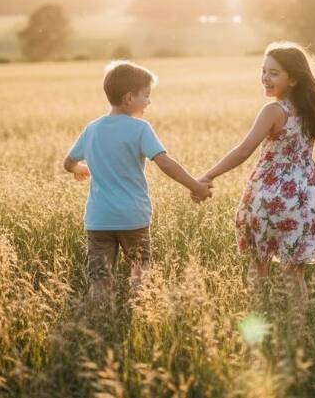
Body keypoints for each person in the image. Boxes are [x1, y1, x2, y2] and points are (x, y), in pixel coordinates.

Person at [198, 42, 315, 304]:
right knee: (294, 271)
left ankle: (260, 312)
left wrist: (208, 175)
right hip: (304, 200)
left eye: (274, 73)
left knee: (259, 262)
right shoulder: (311, 111)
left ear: (294, 79)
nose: (265, 78)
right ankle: (297, 326)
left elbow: (244, 151)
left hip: (268, 198)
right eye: (264, 71)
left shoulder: (274, 111)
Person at [64, 61, 212, 301]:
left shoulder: (91, 129)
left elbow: (67, 163)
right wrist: (196, 186)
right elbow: (164, 162)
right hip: (133, 217)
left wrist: (81, 168)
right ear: (129, 98)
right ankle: (139, 310)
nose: (149, 102)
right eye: (146, 96)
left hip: (98, 220)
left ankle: (100, 319)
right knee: (140, 271)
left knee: (100, 278)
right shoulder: (140, 128)